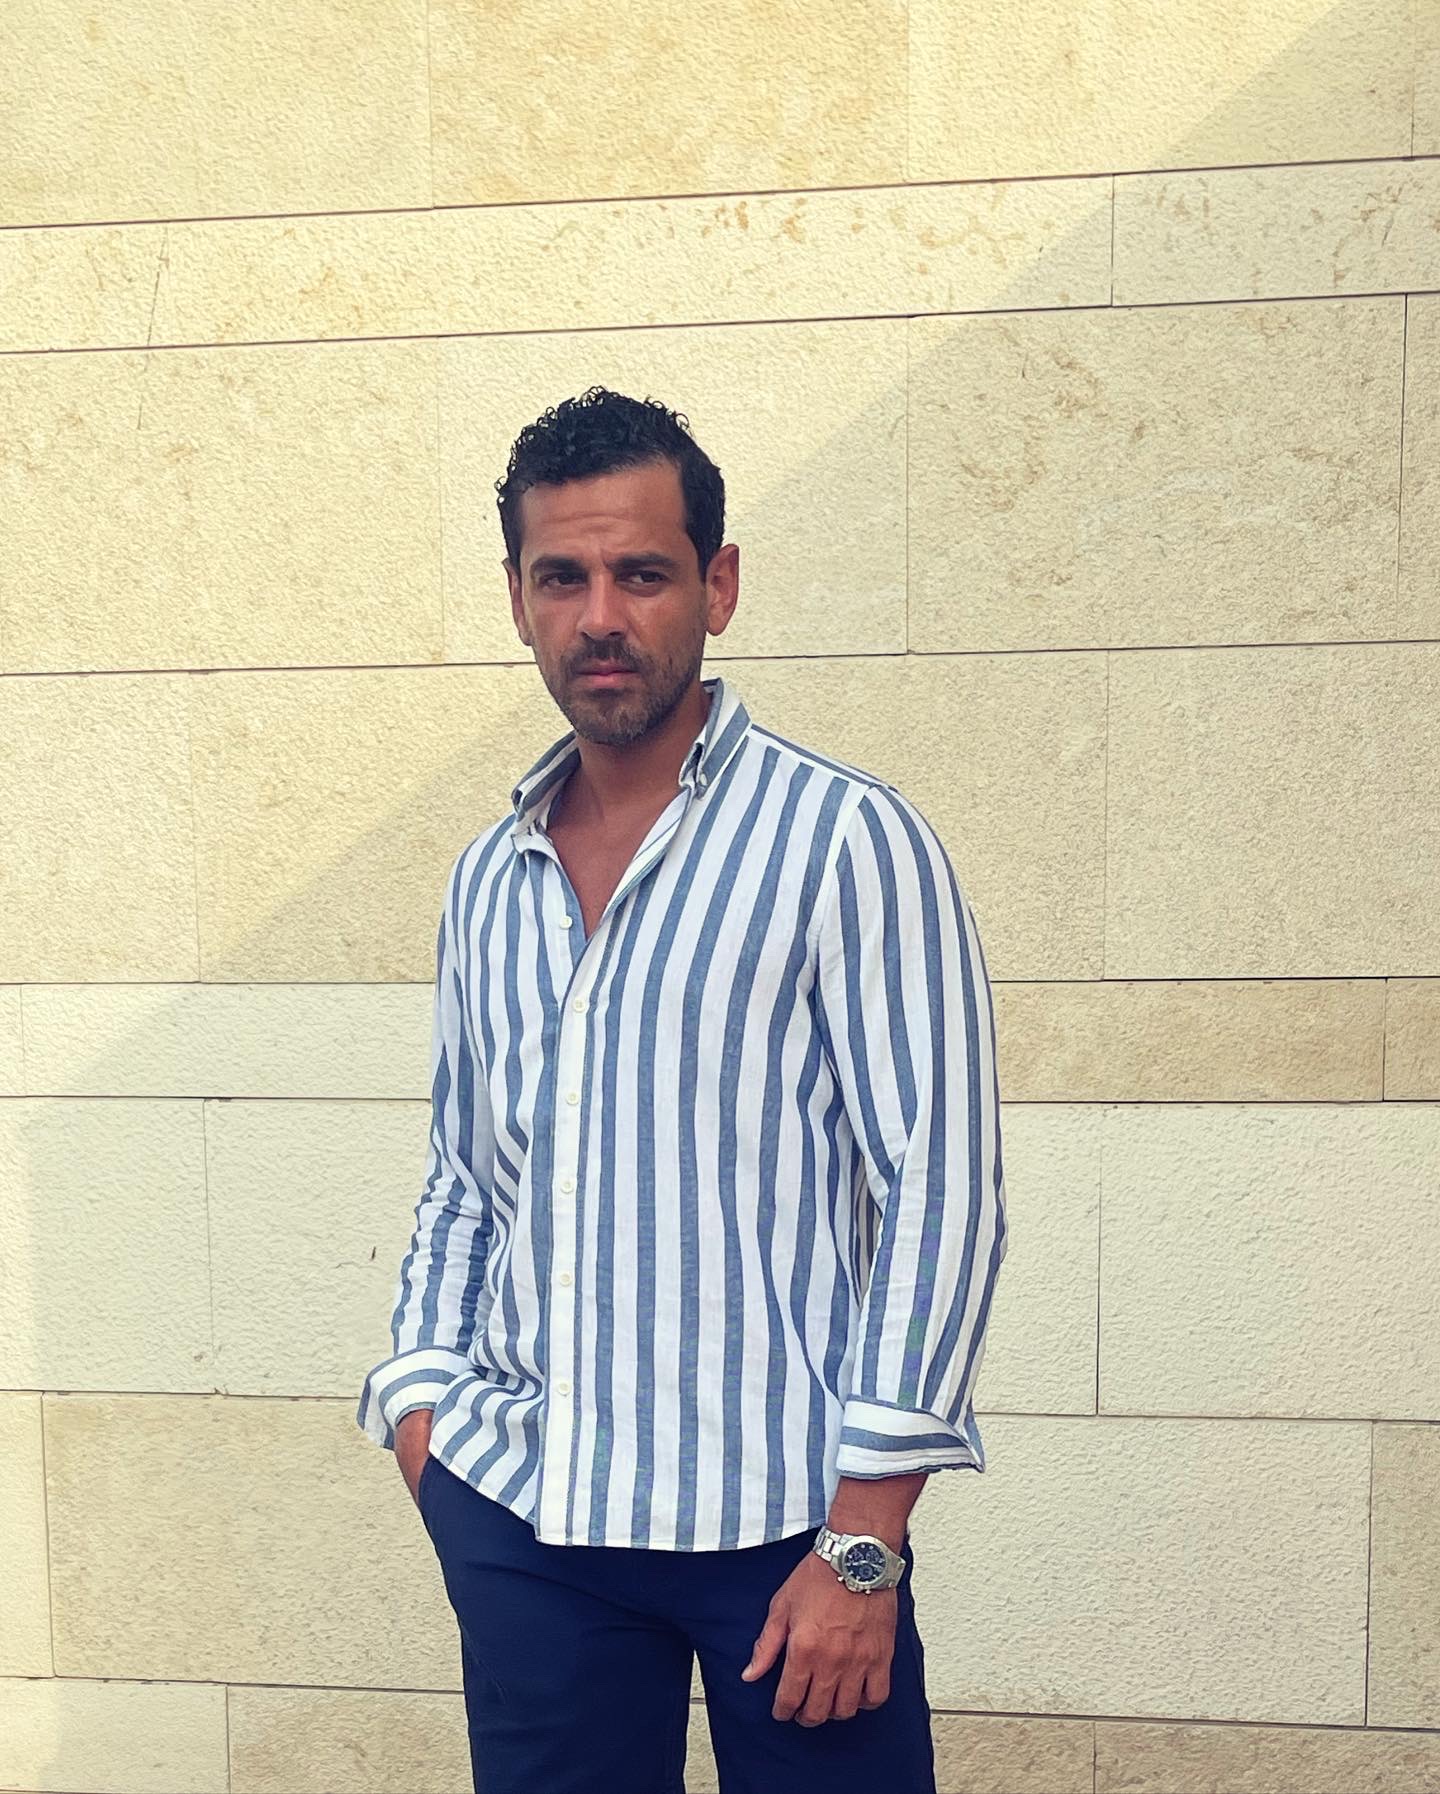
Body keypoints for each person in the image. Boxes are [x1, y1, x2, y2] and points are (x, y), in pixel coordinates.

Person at [356, 386, 1008, 1794]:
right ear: (519, 599)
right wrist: (421, 1412)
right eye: (563, 577)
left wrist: (866, 1537)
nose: (601, 615)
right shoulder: (490, 878)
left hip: (787, 1533)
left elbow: (939, 1191)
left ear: (717, 585)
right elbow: (467, 1178)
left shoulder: (848, 842)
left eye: (642, 573)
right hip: (529, 1521)